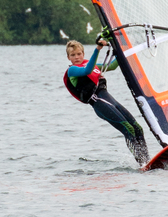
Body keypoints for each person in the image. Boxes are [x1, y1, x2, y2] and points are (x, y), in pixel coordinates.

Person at [63, 37, 150, 167]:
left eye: (79, 54)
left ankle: (148, 160)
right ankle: (142, 163)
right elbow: (86, 71)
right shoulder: (72, 71)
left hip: (109, 99)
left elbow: (113, 65)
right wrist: (98, 49)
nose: (76, 57)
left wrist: (124, 50)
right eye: (73, 55)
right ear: (68, 58)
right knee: (128, 128)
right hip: (99, 103)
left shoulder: (92, 65)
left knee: (137, 127)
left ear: (83, 54)